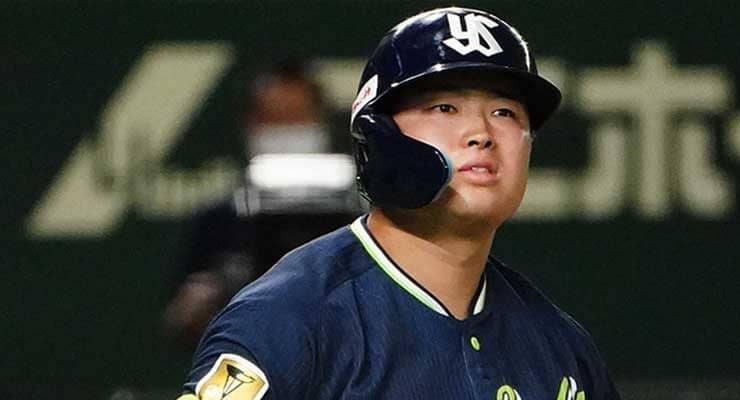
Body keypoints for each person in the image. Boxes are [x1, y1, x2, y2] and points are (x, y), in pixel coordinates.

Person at [177, 7, 619, 400]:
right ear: (379, 136)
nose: (481, 133)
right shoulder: (287, 320)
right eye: (444, 108)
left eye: (505, 112)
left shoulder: (562, 347)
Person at [163, 56, 358, 349]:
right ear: (250, 124)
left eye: (297, 117)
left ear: (321, 120)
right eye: (273, 119)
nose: (286, 130)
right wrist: (202, 301)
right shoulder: (221, 217)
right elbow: (179, 322)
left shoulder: (360, 211)